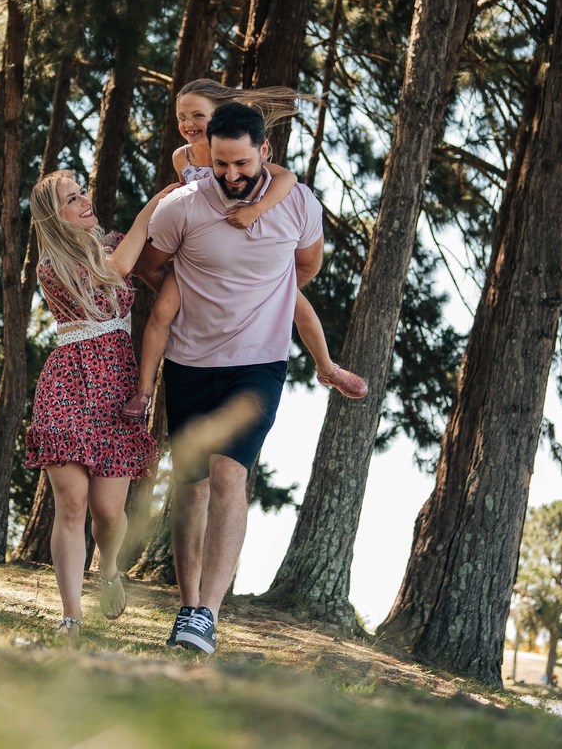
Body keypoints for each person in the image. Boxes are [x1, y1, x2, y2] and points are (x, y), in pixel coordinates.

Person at [133, 102, 328, 654]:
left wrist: (262, 296)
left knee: (228, 472)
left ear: (264, 151)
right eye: (221, 164)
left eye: (241, 163)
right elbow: (151, 265)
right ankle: (188, 605)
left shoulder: (297, 204)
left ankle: (208, 614)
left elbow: (306, 266)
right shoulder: (184, 209)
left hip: (258, 361)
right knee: (190, 485)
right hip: (189, 361)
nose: (232, 175)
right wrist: (185, 296)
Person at [122, 79, 367, 422]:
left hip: (250, 257)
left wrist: (255, 210)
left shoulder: (247, 155)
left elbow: (288, 179)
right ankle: (144, 391)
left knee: (301, 310)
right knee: (161, 314)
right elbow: (191, 200)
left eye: (198, 115)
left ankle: (327, 367)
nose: (188, 123)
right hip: (197, 263)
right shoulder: (184, 156)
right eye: (182, 116)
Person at [25, 170, 179, 642]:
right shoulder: (52, 265)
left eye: (83, 192)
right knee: (71, 506)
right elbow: (113, 272)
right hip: (68, 384)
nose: (84, 201)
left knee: (108, 512)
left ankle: (108, 567)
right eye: (72, 200)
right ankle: (70, 617)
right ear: (56, 216)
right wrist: (151, 206)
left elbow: (159, 265)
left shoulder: (114, 240)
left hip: (115, 386)